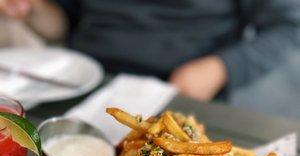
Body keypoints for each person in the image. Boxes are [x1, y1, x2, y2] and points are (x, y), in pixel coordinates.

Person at [1, 0, 300, 101]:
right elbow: (63, 22)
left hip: (182, 94)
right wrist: (32, 9)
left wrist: (220, 68)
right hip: (86, 84)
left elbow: (290, 26)